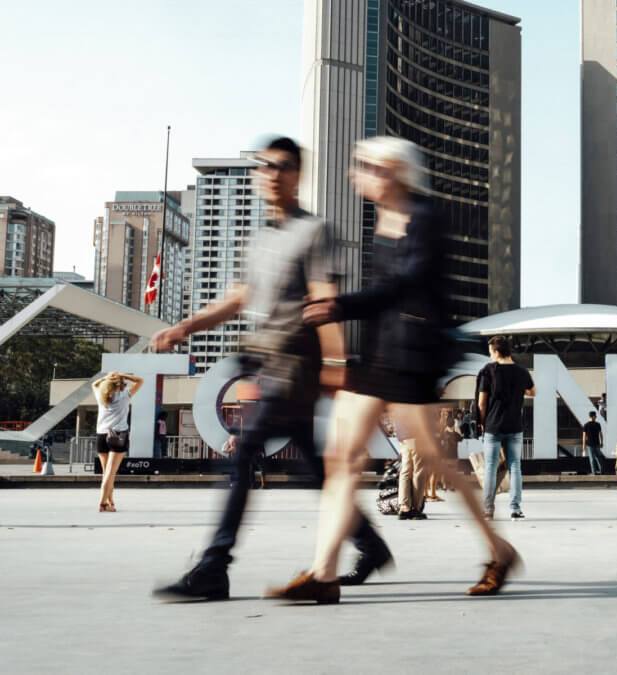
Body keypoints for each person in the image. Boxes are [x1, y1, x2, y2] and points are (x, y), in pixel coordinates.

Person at [268, 136, 518, 602]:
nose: (354, 173)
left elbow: (406, 285)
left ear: (392, 171)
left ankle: (499, 550)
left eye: (363, 165)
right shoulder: (383, 221)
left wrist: (338, 305)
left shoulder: (425, 217)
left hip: (413, 360)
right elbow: (386, 294)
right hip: (380, 356)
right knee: (342, 459)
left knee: (439, 463)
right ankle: (323, 575)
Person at [152, 136, 392, 601]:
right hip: (267, 364)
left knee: (243, 455)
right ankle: (370, 543)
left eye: (282, 166)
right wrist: (187, 326)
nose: (271, 173)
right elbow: (239, 298)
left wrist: (337, 366)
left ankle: (214, 566)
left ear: (298, 174)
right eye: (264, 166)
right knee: (314, 470)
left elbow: (324, 298)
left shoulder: (314, 230)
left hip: (297, 366)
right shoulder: (260, 238)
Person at [477, 335, 535, 520]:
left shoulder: (488, 371)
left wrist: (482, 423)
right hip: (514, 426)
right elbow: (533, 392)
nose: (490, 356)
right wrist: (520, 390)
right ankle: (515, 509)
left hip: (493, 426)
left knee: (491, 468)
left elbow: (481, 403)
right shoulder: (521, 372)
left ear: (497, 352)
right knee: (515, 467)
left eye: (490, 353)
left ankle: (488, 509)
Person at [91, 372, 143, 512]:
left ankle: (110, 502)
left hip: (101, 435)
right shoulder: (124, 395)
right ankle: (102, 504)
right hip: (118, 435)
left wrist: (106, 378)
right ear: (120, 385)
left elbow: (94, 384)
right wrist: (123, 375)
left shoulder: (101, 396)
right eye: (124, 383)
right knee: (110, 473)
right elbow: (140, 380)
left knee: (106, 473)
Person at [395, 412, 427, 521]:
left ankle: (404, 507)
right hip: (416, 432)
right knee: (419, 471)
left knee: (406, 469)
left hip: (402, 434)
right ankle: (415, 508)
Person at [582, 410, 605, 476]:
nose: (596, 417)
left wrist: (583, 446)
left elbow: (584, 437)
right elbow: (601, 434)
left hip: (591, 444)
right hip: (595, 444)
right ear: (592, 416)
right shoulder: (597, 424)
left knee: (593, 458)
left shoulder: (586, 425)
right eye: (595, 416)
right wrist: (602, 442)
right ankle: (600, 471)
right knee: (598, 458)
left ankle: (594, 472)